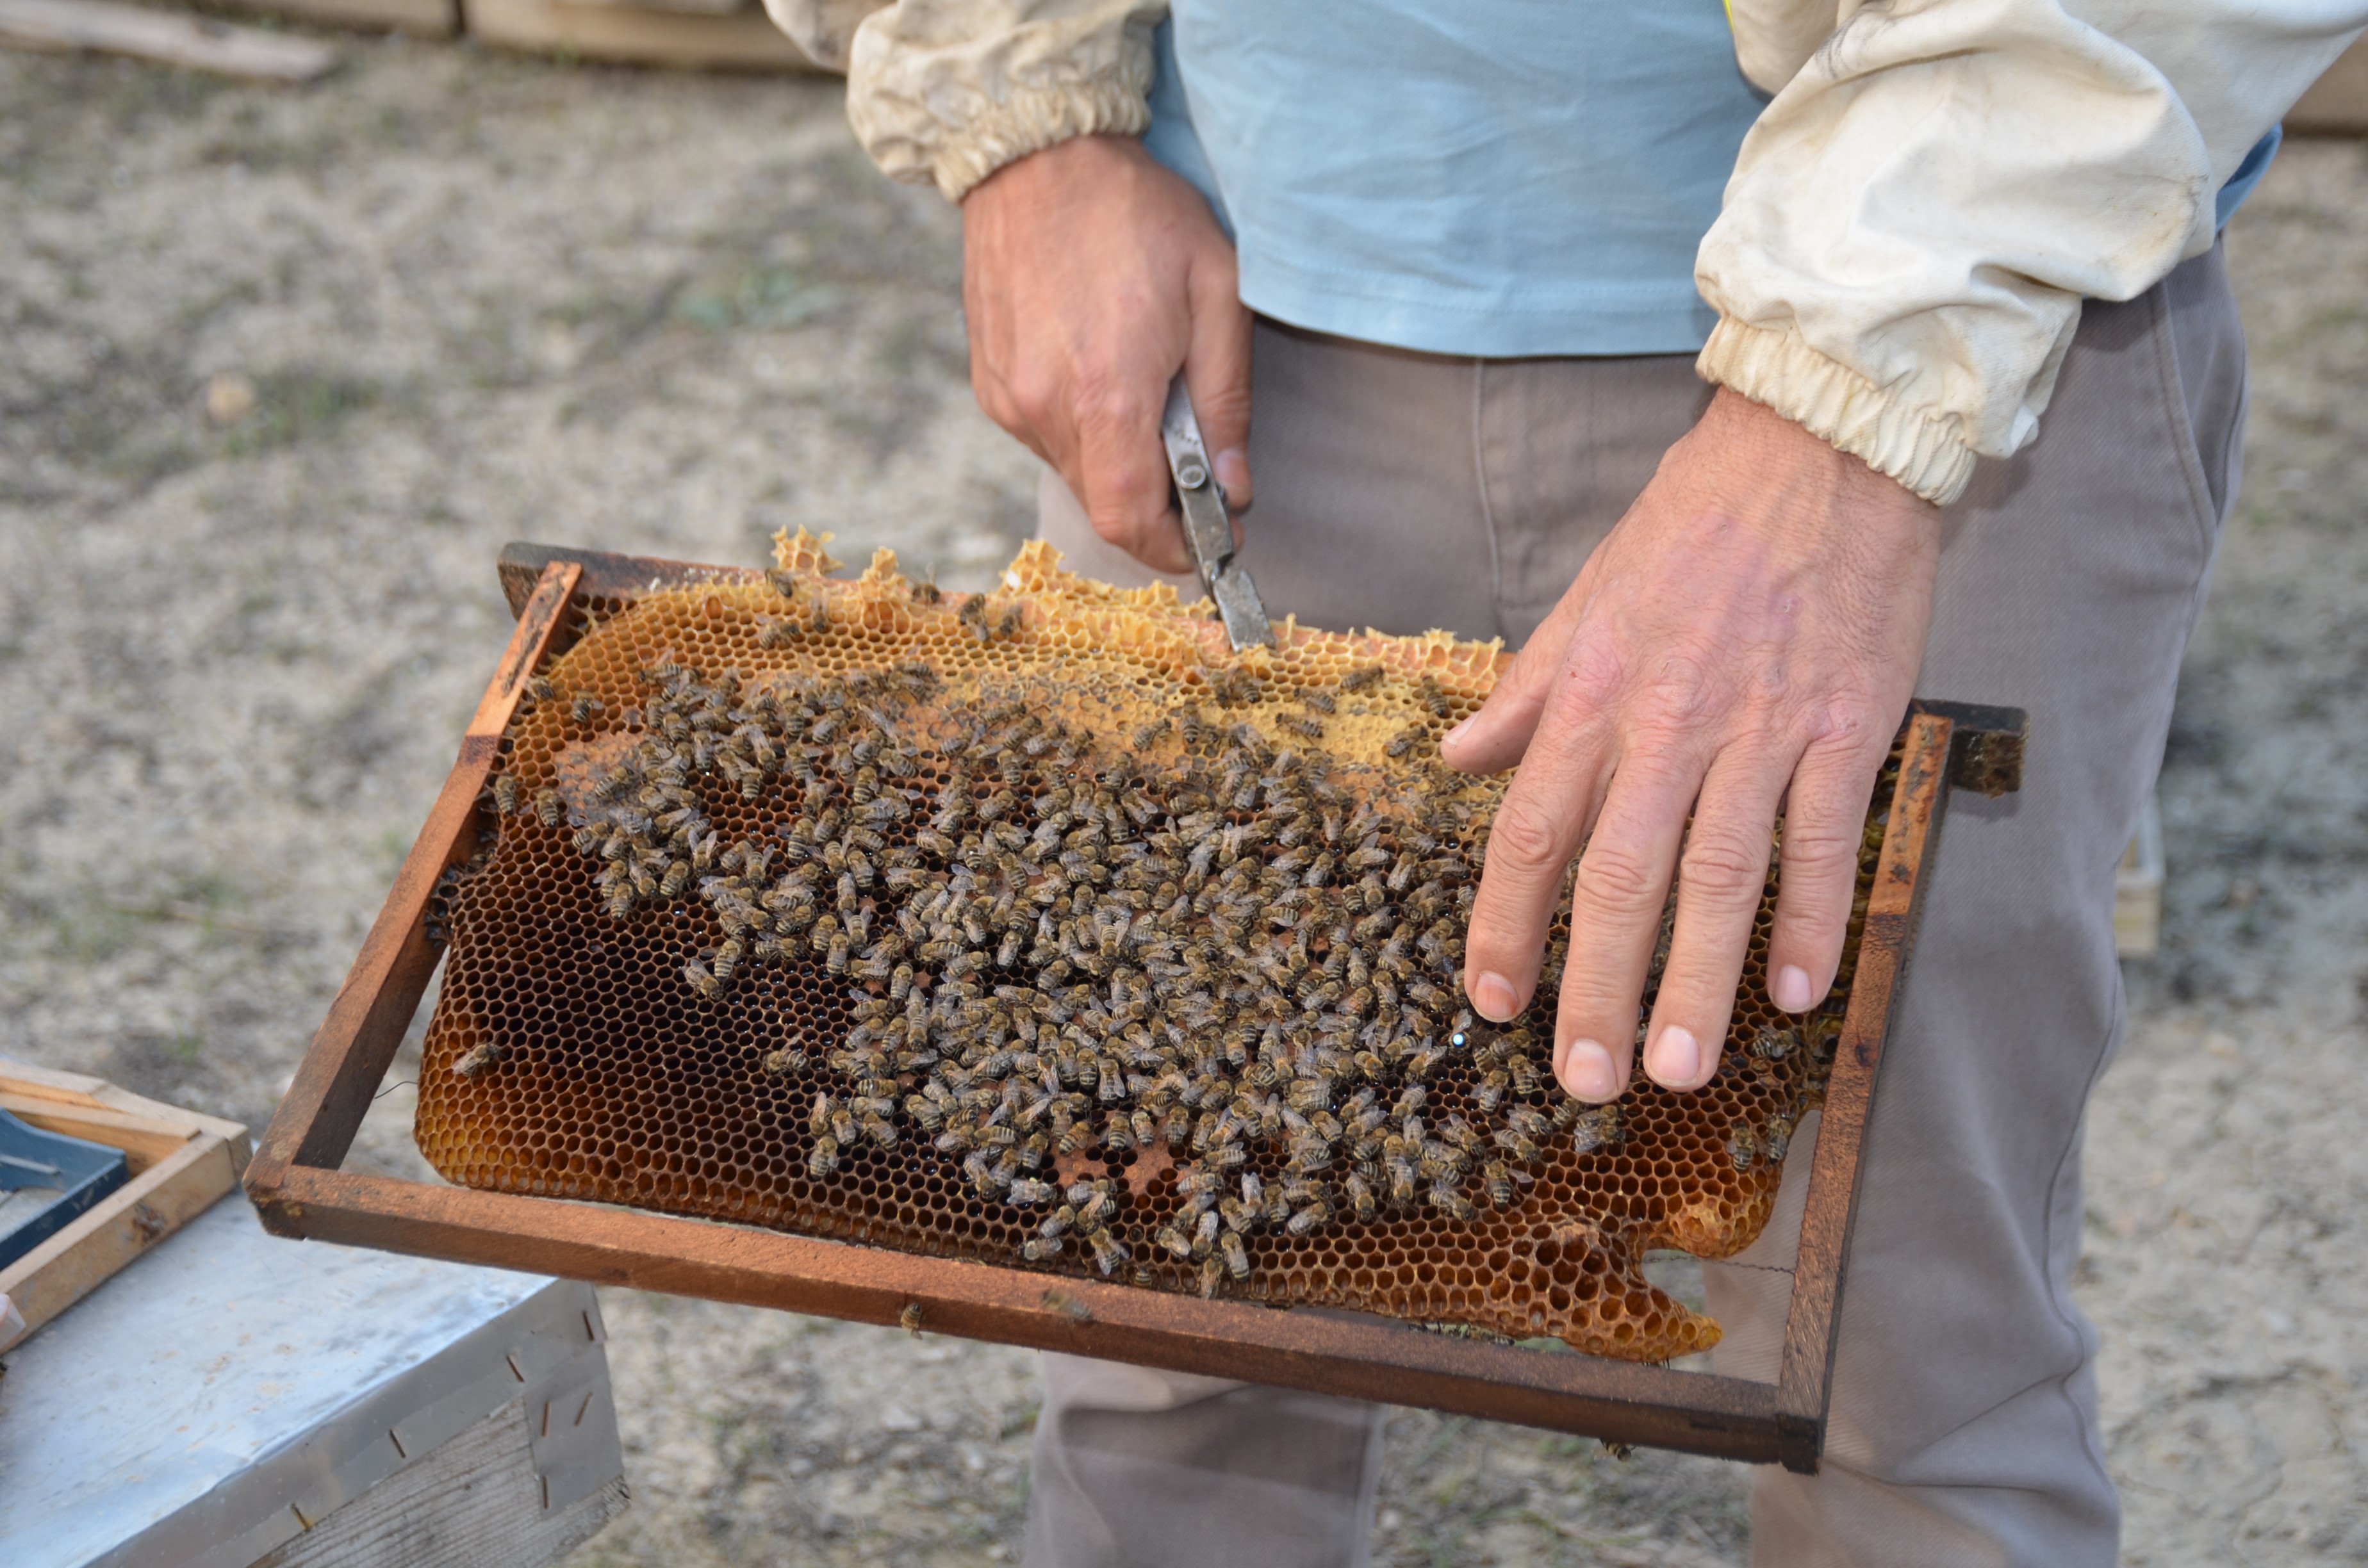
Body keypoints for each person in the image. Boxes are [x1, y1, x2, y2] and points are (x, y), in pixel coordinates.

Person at [763, 4, 2362, 1564]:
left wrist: (1849, 414)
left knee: (1900, 1352)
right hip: (1227, 309)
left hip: (1966, 371)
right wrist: (1023, 111)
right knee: (1169, 1317)